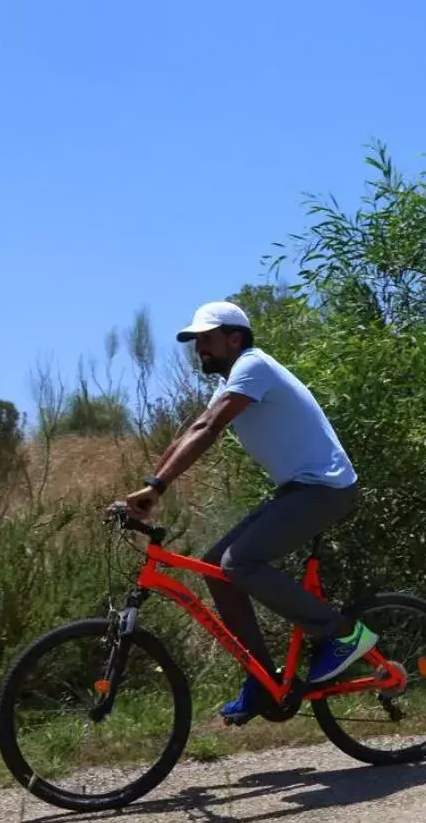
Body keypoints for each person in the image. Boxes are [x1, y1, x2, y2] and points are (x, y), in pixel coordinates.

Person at [110, 299, 377, 725]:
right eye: (196, 342)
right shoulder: (233, 381)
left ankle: (342, 632)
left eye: (207, 340)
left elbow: (208, 428)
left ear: (235, 338)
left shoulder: (253, 366)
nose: (200, 349)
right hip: (300, 489)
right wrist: (148, 486)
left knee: (241, 562)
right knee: (216, 566)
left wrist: (157, 488)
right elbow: (195, 428)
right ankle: (260, 678)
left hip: (326, 488)